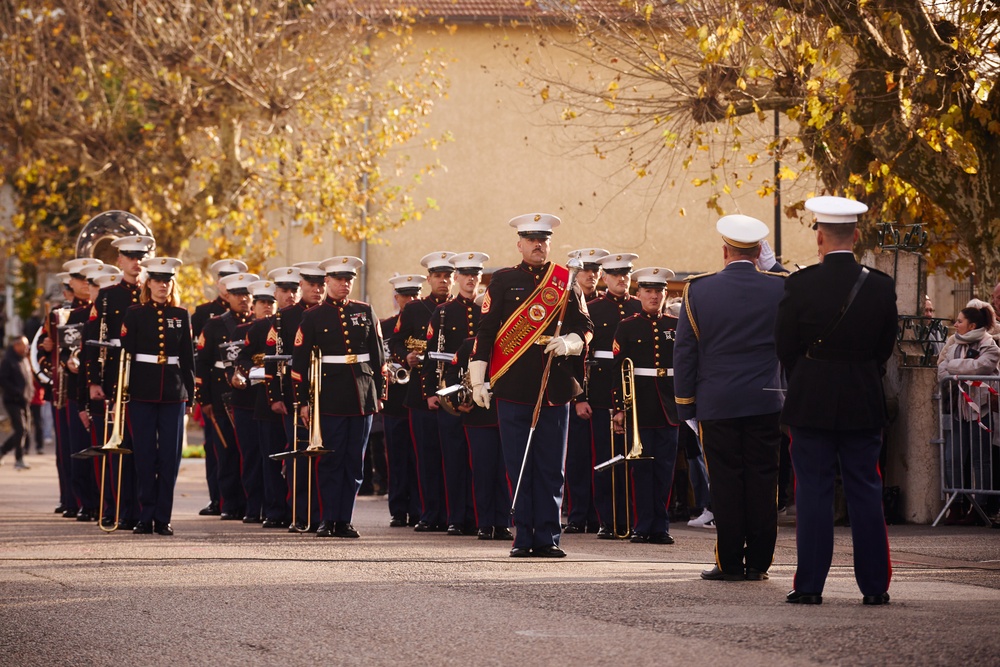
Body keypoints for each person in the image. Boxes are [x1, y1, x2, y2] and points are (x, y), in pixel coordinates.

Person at [775, 195, 897, 606]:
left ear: (820, 237)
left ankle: (809, 585)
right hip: (862, 396)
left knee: (812, 492)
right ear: (857, 235)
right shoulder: (881, 286)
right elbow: (885, 348)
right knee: (865, 489)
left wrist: (810, 373)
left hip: (812, 398)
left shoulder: (800, 283)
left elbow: (785, 345)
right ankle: (875, 586)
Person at [470, 213, 593, 557]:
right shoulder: (503, 280)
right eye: (532, 240)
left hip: (554, 387)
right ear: (520, 244)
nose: (539, 245)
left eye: (544, 240)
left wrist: (570, 341)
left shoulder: (565, 281)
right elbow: (486, 331)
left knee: (552, 467)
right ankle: (524, 536)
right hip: (513, 386)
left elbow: (586, 325)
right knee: (519, 465)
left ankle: (549, 537)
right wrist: (478, 379)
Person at [673, 214, 785, 582]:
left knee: (724, 482)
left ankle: (729, 562)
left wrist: (685, 404)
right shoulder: (780, 288)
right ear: (759, 251)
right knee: (763, 481)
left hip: (716, 401)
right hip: (767, 399)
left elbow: (685, 353)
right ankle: (759, 564)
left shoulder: (698, 290)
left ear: (725, 250)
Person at [292, 255, 385, 539]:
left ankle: (344, 519)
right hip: (328, 396)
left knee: (354, 462)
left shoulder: (365, 311)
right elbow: (299, 363)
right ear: (327, 281)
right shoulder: (312, 316)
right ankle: (327, 519)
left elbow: (379, 355)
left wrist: (380, 393)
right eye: (339, 279)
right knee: (330, 460)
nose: (345, 284)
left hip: (362, 394)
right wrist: (305, 402)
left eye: (349, 280)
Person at [121, 257, 195, 535]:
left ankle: (163, 517)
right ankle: (144, 515)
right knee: (143, 456)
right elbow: (125, 356)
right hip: (141, 390)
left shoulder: (181, 314)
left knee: (169, 457)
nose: (163, 286)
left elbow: (188, 358)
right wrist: (122, 392)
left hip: (174, 393)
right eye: (158, 281)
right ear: (148, 284)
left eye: (167, 281)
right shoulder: (135, 313)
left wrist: (190, 394)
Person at [84, 234, 154, 530]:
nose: (136, 263)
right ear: (120, 261)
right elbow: (94, 341)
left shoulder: (152, 293)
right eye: (131, 257)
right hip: (116, 376)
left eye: (141, 257)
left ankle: (142, 510)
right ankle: (120, 509)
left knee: (144, 447)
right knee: (119, 444)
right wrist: (93, 382)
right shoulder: (108, 295)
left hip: (146, 378)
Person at [611, 267, 680, 544]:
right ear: (637, 294)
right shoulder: (627, 326)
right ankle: (642, 525)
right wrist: (619, 408)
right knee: (641, 470)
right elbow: (618, 368)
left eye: (659, 291)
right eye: (648, 291)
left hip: (669, 405)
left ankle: (660, 526)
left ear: (666, 294)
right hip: (639, 406)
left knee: (665, 469)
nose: (654, 296)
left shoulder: (675, 326)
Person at [389, 251, 456, 532]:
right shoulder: (415, 309)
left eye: (447, 276)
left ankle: (454, 514)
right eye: (438, 276)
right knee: (426, 457)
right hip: (420, 393)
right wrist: (406, 357)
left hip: (454, 394)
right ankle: (429, 513)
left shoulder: (460, 308)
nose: (443, 281)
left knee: (453, 457)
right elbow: (395, 342)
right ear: (428, 279)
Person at [424, 252, 489, 536]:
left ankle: (479, 516)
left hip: (482, 390)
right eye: (465, 275)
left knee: (482, 459)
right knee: (453, 458)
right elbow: (430, 355)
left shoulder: (489, 308)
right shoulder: (442, 312)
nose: (470, 279)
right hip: (452, 390)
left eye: (475, 275)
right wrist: (432, 392)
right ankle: (456, 517)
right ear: (457, 278)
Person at [264, 261, 326, 532]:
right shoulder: (285, 317)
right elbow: (273, 359)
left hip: (330, 393)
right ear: (302, 286)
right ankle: (300, 513)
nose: (317, 289)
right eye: (312, 284)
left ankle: (325, 513)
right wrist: (275, 396)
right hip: (295, 394)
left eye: (321, 284)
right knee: (299, 457)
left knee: (326, 457)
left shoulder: (331, 313)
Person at [585, 252, 641, 538]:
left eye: (626, 274)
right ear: (604, 278)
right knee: (606, 458)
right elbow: (583, 357)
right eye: (616, 275)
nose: (622, 279)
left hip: (637, 394)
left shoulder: (638, 306)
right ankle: (608, 520)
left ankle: (635, 519)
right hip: (602, 390)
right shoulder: (593, 308)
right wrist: (581, 396)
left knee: (636, 460)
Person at [196, 271, 258, 521]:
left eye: (247, 294)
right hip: (221, 394)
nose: (243, 299)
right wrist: (205, 400)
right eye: (237, 294)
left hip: (251, 393)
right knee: (226, 451)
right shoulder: (214, 325)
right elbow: (202, 364)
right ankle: (230, 503)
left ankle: (252, 502)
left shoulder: (258, 324)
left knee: (251, 451)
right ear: (227, 296)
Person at [937, 304, 1000, 525]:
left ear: (972, 325)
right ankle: (956, 504)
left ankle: (980, 507)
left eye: (960, 321)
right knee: (952, 457)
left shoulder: (989, 344)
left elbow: (982, 367)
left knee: (980, 460)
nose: (955, 324)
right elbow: (941, 370)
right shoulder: (954, 344)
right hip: (957, 410)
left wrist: (955, 367)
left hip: (979, 411)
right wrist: (962, 367)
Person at [563, 247, 608, 534]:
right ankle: (578, 515)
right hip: (574, 388)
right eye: (586, 271)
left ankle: (600, 516)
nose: (591, 276)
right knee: (577, 458)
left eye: (595, 272)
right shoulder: (568, 304)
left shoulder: (605, 306)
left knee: (602, 458)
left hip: (604, 391)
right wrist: (578, 396)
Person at [381, 274, 425, 527]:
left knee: (418, 455)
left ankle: (419, 508)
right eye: (405, 296)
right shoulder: (385, 327)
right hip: (395, 399)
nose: (410, 300)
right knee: (397, 456)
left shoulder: (426, 322)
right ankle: (398, 509)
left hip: (417, 395)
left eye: (415, 295)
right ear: (396, 298)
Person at [0, 336, 34, 470]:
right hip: (12, 401)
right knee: (21, 429)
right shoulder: (8, 361)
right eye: (24, 345)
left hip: (25, 400)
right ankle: (18, 458)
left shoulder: (24, 359)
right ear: (16, 346)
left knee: (25, 430)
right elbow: (3, 380)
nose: (26, 348)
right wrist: (16, 393)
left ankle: (2, 450)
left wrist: (30, 393)